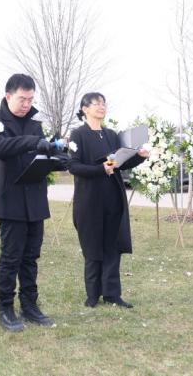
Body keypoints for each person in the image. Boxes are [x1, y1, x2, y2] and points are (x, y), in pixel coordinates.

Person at [0, 73, 64, 332]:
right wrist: (34, 143)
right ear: (8, 96)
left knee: (31, 257)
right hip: (10, 201)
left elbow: (40, 155)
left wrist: (56, 156)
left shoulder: (35, 124)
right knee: (11, 257)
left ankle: (30, 305)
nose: (26, 104)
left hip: (35, 200)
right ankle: (5, 307)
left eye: (30, 99)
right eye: (22, 99)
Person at [67, 92, 149, 309]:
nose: (101, 107)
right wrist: (99, 169)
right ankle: (92, 294)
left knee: (112, 246)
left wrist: (139, 157)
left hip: (113, 197)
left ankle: (112, 294)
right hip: (89, 200)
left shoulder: (112, 134)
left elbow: (121, 163)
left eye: (104, 103)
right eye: (96, 103)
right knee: (93, 246)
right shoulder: (78, 135)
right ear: (85, 109)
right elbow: (73, 166)